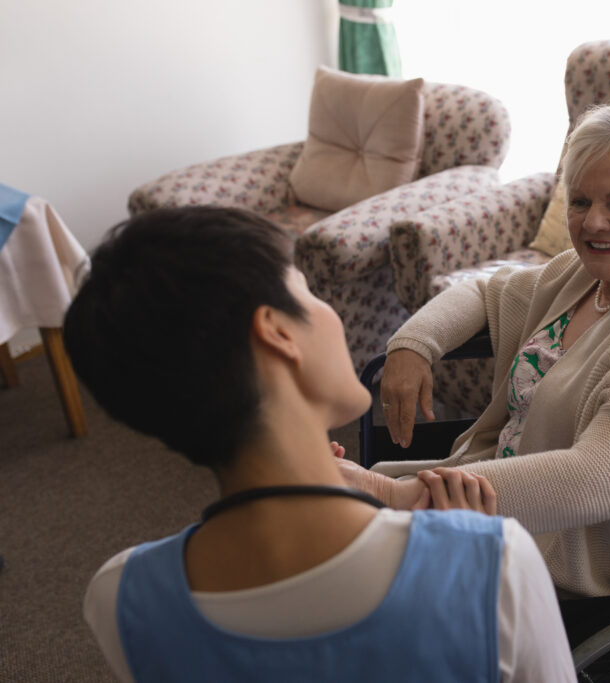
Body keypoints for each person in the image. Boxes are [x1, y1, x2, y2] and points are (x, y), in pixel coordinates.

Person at [64, 207, 574, 682]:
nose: (328, 311)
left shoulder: (119, 598)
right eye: (308, 292)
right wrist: (468, 560)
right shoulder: (495, 561)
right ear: (278, 332)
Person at [364, 103, 610, 601]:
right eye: (580, 201)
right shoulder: (581, 277)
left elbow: (599, 477)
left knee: (351, 575)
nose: (594, 222)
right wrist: (413, 345)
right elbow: (483, 293)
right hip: (490, 512)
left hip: (565, 562)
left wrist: (400, 496)